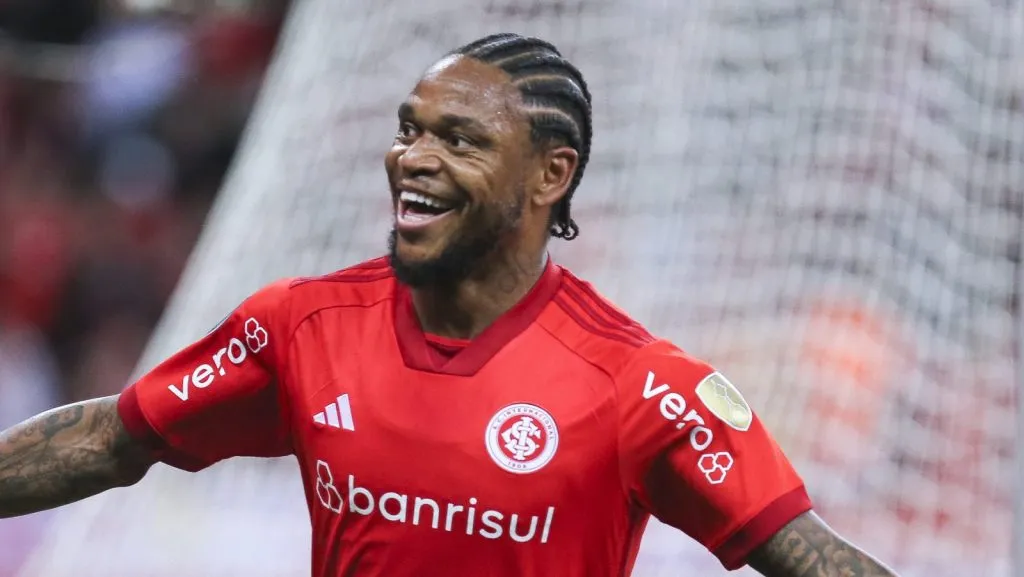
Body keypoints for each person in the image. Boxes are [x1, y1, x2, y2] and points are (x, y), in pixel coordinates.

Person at [0, 33, 900, 577]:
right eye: (410, 128)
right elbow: (111, 440)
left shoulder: (640, 385)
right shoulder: (301, 327)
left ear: (551, 175)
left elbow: (803, 553)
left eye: (460, 139)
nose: (414, 158)